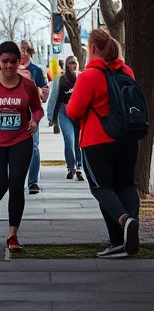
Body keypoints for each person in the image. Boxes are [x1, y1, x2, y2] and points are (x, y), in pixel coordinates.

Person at [66, 28, 141, 258]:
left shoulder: (88, 76)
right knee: (126, 185)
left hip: (97, 141)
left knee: (101, 188)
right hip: (128, 139)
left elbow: (73, 111)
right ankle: (125, 235)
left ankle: (124, 223)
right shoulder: (127, 71)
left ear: (92, 48)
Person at [0, 41, 44, 253]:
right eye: (5, 62)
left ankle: (13, 235)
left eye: (13, 62)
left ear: (19, 61)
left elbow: (37, 109)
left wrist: (35, 120)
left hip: (21, 140)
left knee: (16, 186)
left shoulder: (27, 85)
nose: (9, 66)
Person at [19, 40, 50, 194]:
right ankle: (17, 180)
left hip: (32, 112)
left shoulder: (37, 70)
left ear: (29, 53)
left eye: (24, 51)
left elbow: (45, 92)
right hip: (16, 113)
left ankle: (33, 182)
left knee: (34, 146)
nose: (22, 54)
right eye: (20, 51)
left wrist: (38, 91)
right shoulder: (11, 68)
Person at [47, 56, 84, 181]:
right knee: (69, 141)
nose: (72, 66)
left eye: (74, 63)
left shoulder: (82, 78)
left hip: (79, 113)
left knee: (79, 142)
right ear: (66, 66)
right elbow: (54, 96)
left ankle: (79, 167)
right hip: (65, 113)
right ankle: (71, 167)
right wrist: (51, 116)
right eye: (70, 64)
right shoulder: (60, 79)